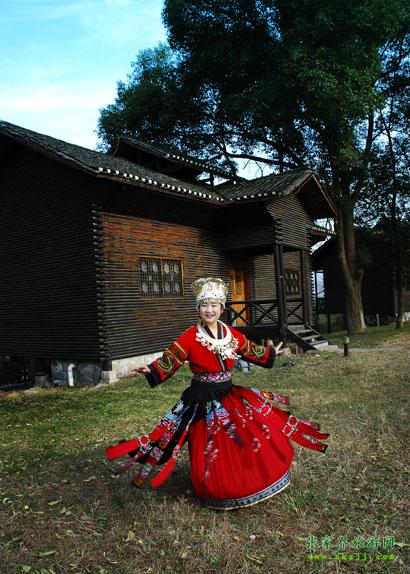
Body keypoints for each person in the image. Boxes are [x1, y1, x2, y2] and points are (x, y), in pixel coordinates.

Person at [106, 277, 329, 510]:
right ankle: (218, 487)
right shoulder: (190, 336)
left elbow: (249, 350)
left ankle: (249, 478)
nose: (209, 310)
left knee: (246, 435)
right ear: (198, 308)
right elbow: (172, 358)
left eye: (214, 305)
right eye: (204, 305)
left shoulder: (231, 333)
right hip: (202, 398)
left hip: (229, 393)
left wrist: (271, 354)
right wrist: (152, 369)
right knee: (211, 443)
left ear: (222, 308)